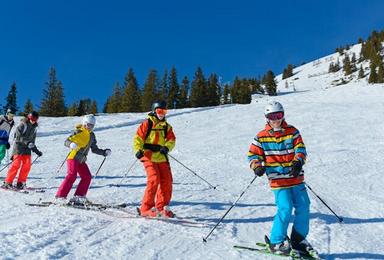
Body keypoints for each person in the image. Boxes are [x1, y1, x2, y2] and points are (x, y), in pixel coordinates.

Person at [247, 101, 316, 257]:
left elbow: (300, 149)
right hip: (278, 181)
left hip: (295, 178)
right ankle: (276, 242)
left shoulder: (293, 131)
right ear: (267, 118)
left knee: (304, 206)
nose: (276, 120)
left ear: (283, 115)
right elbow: (253, 155)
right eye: (272, 117)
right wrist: (256, 166)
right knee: (285, 208)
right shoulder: (261, 137)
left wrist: (298, 161)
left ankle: (298, 239)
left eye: (278, 115)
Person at [55, 114, 111, 205]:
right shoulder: (78, 132)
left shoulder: (92, 136)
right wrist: (71, 144)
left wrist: (104, 152)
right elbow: (66, 141)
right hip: (73, 157)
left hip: (81, 160)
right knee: (72, 175)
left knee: (87, 176)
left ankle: (79, 196)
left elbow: (94, 149)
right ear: (84, 123)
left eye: (91, 125)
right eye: (88, 124)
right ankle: (60, 196)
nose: (89, 127)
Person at [133, 100, 176, 218]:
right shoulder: (147, 124)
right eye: (159, 111)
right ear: (154, 111)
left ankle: (162, 208)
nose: (162, 113)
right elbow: (138, 138)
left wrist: (166, 147)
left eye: (164, 111)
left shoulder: (167, 127)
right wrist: (138, 150)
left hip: (161, 157)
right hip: (148, 155)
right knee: (154, 179)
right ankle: (145, 208)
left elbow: (171, 140)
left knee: (167, 181)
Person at [2, 111, 42, 190]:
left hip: (27, 150)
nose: (33, 121)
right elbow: (18, 137)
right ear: (29, 118)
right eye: (32, 119)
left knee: (27, 165)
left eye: (35, 119)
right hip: (18, 148)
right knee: (16, 164)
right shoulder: (23, 124)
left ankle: (20, 183)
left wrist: (36, 150)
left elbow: (32, 142)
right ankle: (8, 182)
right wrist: (27, 142)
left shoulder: (34, 129)